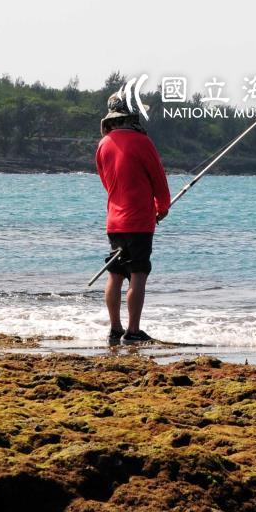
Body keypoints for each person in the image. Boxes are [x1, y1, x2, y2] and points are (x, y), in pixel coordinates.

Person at [95, 84, 170, 344]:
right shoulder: (143, 142)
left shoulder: (103, 144)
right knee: (138, 274)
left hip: (114, 221)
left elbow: (107, 183)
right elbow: (159, 181)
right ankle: (133, 331)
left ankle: (115, 329)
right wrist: (162, 208)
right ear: (132, 116)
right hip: (139, 221)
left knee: (115, 274)